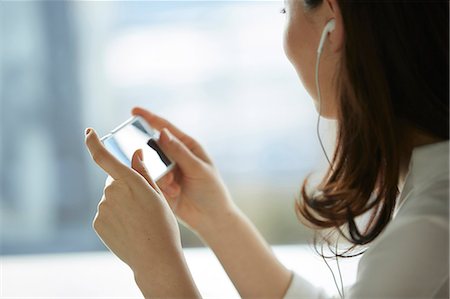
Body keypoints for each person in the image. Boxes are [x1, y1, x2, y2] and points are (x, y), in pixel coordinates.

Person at [84, 0, 449, 298]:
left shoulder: (429, 229)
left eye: (284, 11)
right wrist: (214, 216)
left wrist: (156, 267)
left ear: (332, 25)